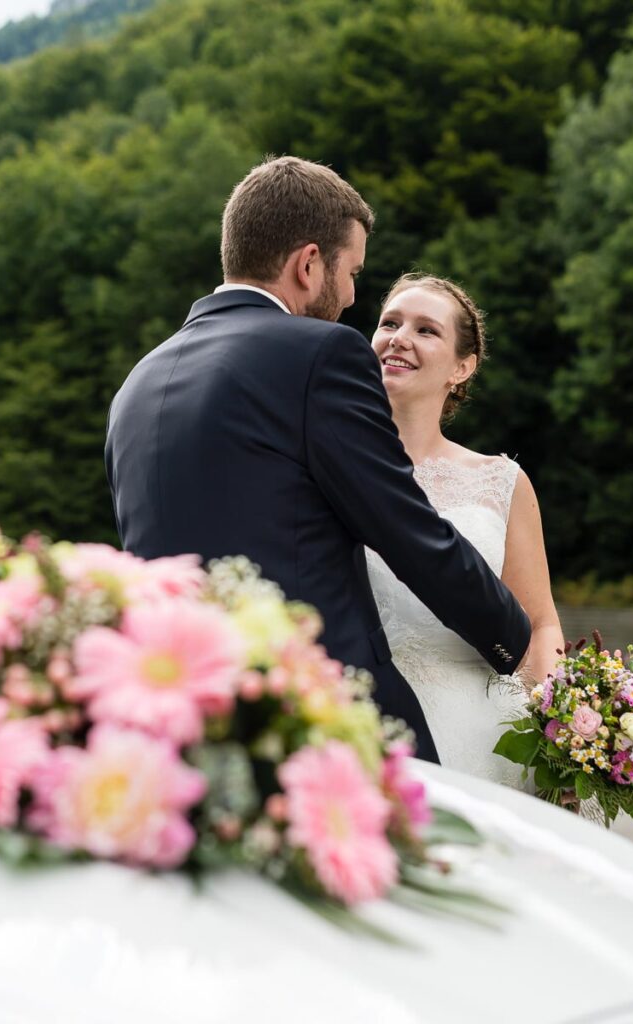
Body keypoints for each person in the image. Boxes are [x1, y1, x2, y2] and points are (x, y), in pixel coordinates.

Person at [105, 156, 531, 763]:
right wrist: (516, 641)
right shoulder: (319, 353)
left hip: (184, 730)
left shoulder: (138, 385)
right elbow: (405, 528)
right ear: (308, 263)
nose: (354, 295)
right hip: (321, 723)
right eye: (352, 271)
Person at [367, 272, 563, 784]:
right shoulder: (329, 469)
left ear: (462, 367)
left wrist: (562, 737)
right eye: (390, 322)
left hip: (490, 735)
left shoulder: (502, 481)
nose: (399, 337)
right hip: (370, 728)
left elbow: (540, 624)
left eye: (426, 330)